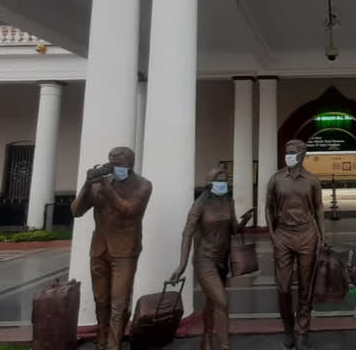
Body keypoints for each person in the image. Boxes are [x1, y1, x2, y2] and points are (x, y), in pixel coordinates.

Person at [71, 146, 152, 350]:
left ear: (130, 165)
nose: (117, 169)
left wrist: (106, 188)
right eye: (113, 165)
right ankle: (102, 339)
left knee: (119, 302)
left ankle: (113, 345)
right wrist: (87, 184)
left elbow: (129, 210)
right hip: (99, 248)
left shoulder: (143, 185)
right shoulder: (101, 182)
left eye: (121, 166)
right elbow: (76, 210)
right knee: (101, 300)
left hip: (125, 250)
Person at [169, 168, 255, 350]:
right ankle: (224, 345)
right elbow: (187, 233)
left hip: (222, 260)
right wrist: (182, 264)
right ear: (210, 184)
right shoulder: (199, 205)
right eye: (219, 181)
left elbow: (233, 230)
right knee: (221, 301)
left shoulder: (228, 202)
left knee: (212, 300)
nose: (223, 184)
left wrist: (245, 220)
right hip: (204, 259)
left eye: (225, 180)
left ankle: (206, 338)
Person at [266, 139, 326, 350]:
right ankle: (288, 329)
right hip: (283, 234)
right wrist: (272, 235)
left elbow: (319, 208)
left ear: (302, 154)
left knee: (305, 287)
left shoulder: (312, 180)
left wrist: (323, 236)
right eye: (286, 151)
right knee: (283, 287)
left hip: (307, 235)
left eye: (292, 152)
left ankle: (302, 333)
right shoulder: (276, 179)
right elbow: (268, 207)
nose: (288, 155)